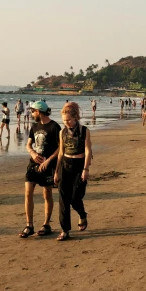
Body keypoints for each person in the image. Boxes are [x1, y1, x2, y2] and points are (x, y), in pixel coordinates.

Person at [20, 101, 61, 238]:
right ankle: (29, 225)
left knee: (47, 194)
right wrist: (32, 153)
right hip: (33, 164)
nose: (31, 114)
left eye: (33, 111)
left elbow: (60, 147)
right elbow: (28, 144)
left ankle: (46, 224)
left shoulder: (54, 127)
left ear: (39, 111)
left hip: (47, 166)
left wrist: (49, 161)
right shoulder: (34, 126)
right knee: (28, 193)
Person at [53, 102, 92, 241]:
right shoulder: (62, 132)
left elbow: (88, 151)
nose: (66, 123)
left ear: (75, 117)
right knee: (63, 199)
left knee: (75, 197)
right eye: (64, 120)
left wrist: (86, 168)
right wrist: (56, 171)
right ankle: (65, 230)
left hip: (79, 165)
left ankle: (82, 215)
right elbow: (60, 153)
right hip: (65, 165)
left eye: (68, 120)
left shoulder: (84, 130)